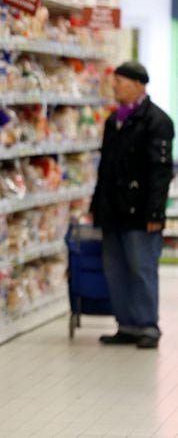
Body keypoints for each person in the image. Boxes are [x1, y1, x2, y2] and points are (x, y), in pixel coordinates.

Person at [91, 61, 174, 349]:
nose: (114, 86)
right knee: (115, 268)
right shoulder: (114, 121)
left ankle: (147, 325)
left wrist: (155, 211)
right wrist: (95, 205)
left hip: (141, 212)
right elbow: (105, 167)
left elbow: (161, 171)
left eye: (121, 81)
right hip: (112, 209)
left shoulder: (157, 121)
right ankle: (126, 324)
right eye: (114, 81)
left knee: (141, 267)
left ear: (139, 84)